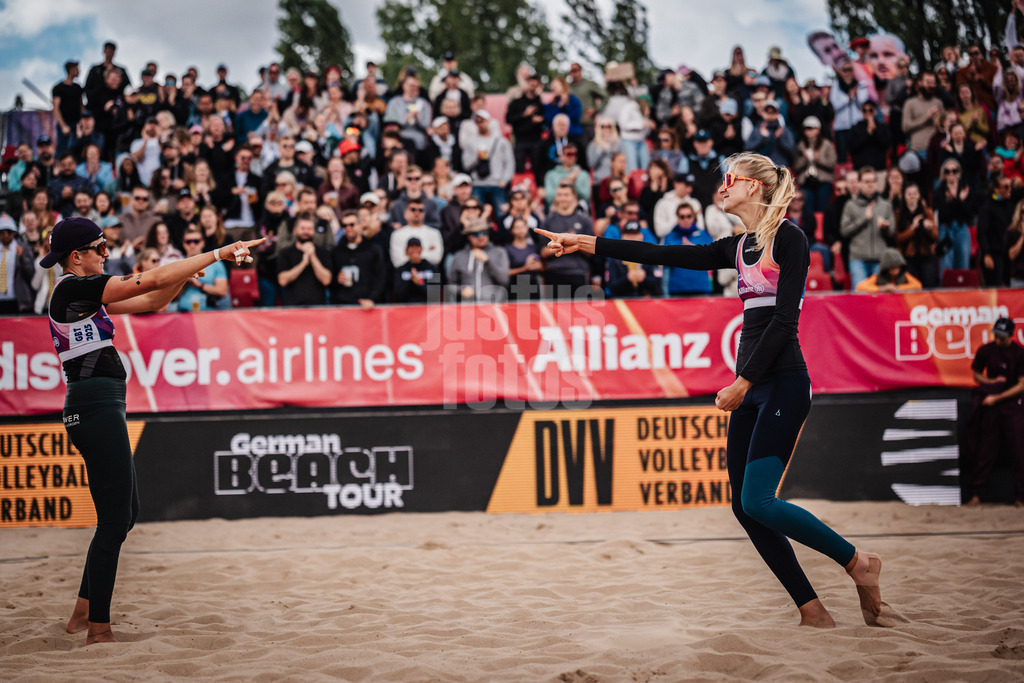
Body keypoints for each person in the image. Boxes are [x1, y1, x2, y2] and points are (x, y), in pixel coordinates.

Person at [535, 151, 891, 629]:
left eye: (730, 179)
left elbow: (786, 321)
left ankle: (856, 563)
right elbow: (662, 254)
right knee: (743, 508)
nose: (722, 187)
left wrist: (743, 383)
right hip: (749, 386)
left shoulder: (789, 239)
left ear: (757, 187)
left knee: (759, 501)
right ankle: (812, 610)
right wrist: (585, 242)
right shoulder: (736, 246)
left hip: (782, 383)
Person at [43, 216, 260, 644]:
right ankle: (99, 630)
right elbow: (149, 279)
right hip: (94, 407)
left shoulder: (82, 294)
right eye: (101, 247)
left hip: (99, 406)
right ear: (77, 256)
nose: (107, 253)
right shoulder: (73, 288)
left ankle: (82, 614)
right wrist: (217, 253)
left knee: (126, 514)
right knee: (114, 519)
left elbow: (153, 301)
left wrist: (185, 276)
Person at [965, 317, 1024, 508]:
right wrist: (990, 383)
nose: (998, 340)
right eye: (996, 336)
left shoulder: (1019, 353)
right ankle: (976, 495)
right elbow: (976, 374)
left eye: (1001, 337)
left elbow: (1022, 385)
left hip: (1012, 404)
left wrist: (998, 397)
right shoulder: (986, 350)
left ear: (1010, 336)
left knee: (1019, 452)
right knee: (985, 451)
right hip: (991, 406)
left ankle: (1020, 498)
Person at [841, 166, 895, 287]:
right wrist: (863, 219)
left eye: (873, 181)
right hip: (858, 259)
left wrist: (885, 227)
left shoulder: (885, 205)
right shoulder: (850, 205)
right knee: (860, 296)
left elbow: (892, 232)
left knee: (880, 298)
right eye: (867, 181)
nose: (870, 185)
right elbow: (844, 231)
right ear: (859, 183)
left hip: (880, 258)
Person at [446, 217, 510, 303]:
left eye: (484, 232)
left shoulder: (499, 252)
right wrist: (461, 290)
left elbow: (504, 279)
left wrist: (488, 261)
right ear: (469, 236)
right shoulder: (459, 256)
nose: (481, 236)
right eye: (476, 234)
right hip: (468, 308)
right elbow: (450, 286)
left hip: (493, 306)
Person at [331, 211, 386, 309]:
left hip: (368, 306)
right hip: (343, 305)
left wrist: (372, 299)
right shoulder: (337, 251)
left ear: (360, 225)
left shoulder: (373, 249)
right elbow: (331, 279)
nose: (348, 228)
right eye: (344, 225)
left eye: (352, 225)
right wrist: (337, 279)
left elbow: (381, 278)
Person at [276, 214, 332, 306]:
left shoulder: (323, 252)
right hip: (292, 308)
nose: (306, 232)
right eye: (302, 228)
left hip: (318, 308)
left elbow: (326, 280)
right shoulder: (285, 252)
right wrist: (304, 263)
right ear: (295, 230)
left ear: (314, 231)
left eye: (309, 229)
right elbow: (282, 280)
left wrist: (313, 257)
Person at [660, 204, 713, 297]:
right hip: (677, 289)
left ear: (693, 217)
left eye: (689, 216)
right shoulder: (669, 237)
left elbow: (712, 257)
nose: (686, 219)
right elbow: (665, 265)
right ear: (677, 218)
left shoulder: (703, 235)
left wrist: (693, 249)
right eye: (682, 217)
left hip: (701, 288)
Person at [604, 221, 662, 298]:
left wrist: (644, 279)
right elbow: (611, 286)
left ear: (641, 236)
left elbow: (657, 282)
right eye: (628, 234)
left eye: (635, 234)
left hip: (645, 301)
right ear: (622, 237)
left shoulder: (649, 257)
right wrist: (627, 278)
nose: (632, 238)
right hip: (622, 302)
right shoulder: (614, 259)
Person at [0, 216, 36, 314]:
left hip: (17, 301)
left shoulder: (23, 248)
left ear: (14, 233)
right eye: (2, 232)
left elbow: (31, 274)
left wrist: (22, 258)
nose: (6, 235)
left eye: (9, 232)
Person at [854, 247, 923, 292]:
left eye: (898, 267)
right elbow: (860, 287)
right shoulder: (878, 277)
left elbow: (918, 285)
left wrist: (897, 288)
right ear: (886, 268)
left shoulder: (905, 275)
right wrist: (882, 288)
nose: (896, 270)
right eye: (892, 268)